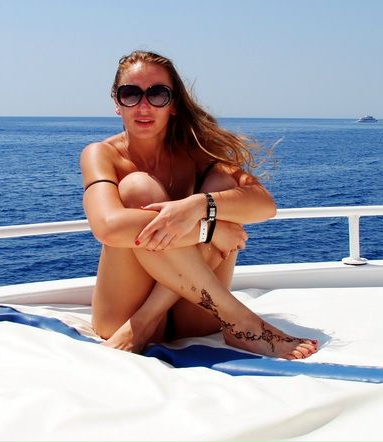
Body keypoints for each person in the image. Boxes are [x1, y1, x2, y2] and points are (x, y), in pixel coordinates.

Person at [80, 50, 317, 360]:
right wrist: (211, 230)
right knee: (139, 187)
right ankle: (240, 320)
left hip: (196, 315)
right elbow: (108, 228)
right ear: (117, 101)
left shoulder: (198, 152)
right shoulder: (102, 154)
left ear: (174, 103)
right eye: (131, 94)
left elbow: (264, 205)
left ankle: (147, 320)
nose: (144, 106)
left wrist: (197, 206)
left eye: (158, 94)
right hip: (122, 315)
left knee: (221, 189)